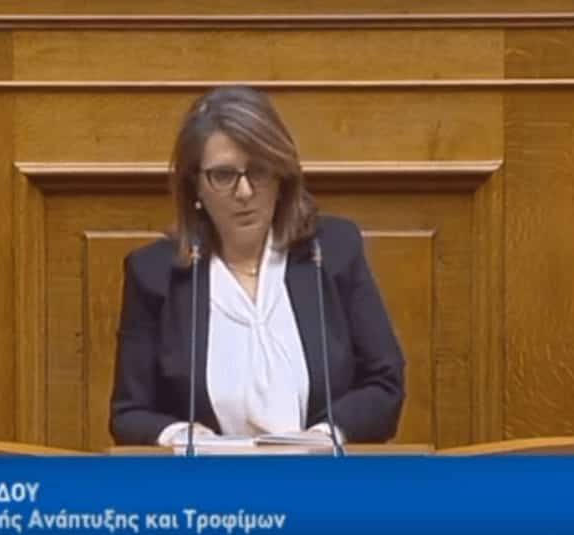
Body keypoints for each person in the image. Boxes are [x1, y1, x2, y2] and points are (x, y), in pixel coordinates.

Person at [110, 85, 405, 447]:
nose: (245, 192)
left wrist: (323, 437)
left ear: (282, 176)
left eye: (260, 171)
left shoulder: (332, 250)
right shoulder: (155, 274)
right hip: (208, 479)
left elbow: (384, 383)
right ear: (194, 186)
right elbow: (129, 414)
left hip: (321, 474)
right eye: (223, 175)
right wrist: (185, 438)